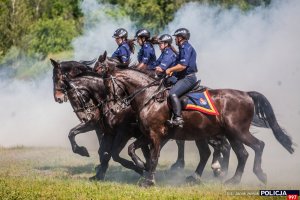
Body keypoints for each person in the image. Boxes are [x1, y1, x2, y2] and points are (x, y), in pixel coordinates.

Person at [165, 28, 198, 127]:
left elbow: (182, 66)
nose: (175, 39)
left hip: (188, 78)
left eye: (176, 37)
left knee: (172, 94)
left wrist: (170, 70)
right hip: (182, 77)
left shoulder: (186, 47)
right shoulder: (182, 48)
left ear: (180, 38)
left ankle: (178, 118)